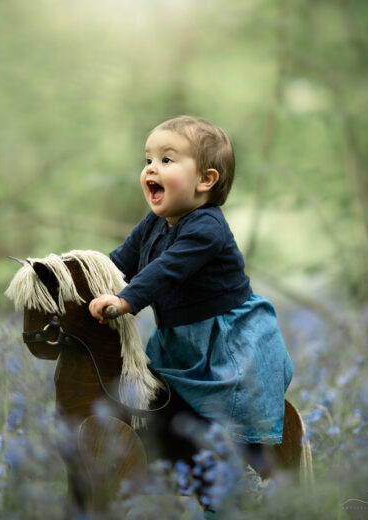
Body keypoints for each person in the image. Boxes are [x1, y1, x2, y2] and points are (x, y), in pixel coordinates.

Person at [88, 115, 293, 451]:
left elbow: (167, 269)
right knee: (156, 404)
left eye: (166, 160)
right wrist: (81, 278)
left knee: (230, 419)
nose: (151, 168)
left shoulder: (207, 228)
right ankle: (165, 470)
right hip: (179, 342)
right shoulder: (152, 224)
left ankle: (240, 477)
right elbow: (118, 262)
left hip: (225, 343)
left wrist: (126, 300)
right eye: (148, 160)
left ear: (205, 180)